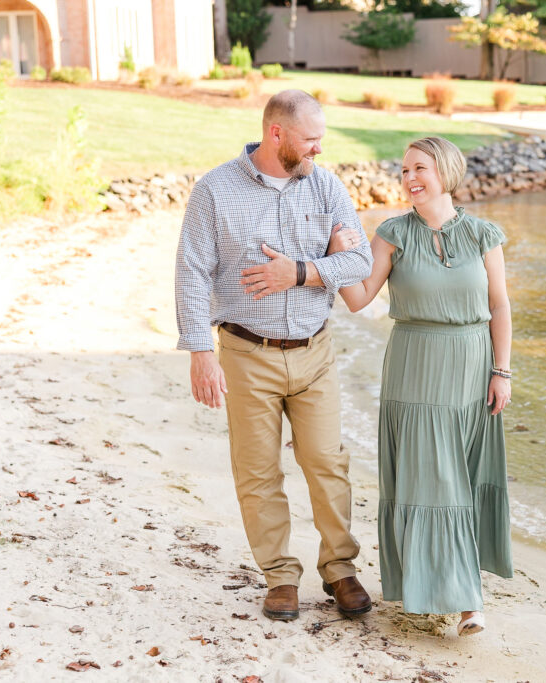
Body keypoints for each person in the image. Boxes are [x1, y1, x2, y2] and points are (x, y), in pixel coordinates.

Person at [174, 89, 374, 622]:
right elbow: (192, 270)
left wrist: (303, 272)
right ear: (276, 133)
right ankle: (280, 576)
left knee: (327, 463)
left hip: (316, 351)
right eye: (311, 141)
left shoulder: (326, 186)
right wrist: (198, 348)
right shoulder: (215, 190)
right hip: (245, 352)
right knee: (257, 471)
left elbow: (358, 261)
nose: (318, 151)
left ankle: (340, 570)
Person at [328, 136, 513, 637]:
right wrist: (337, 255)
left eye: (420, 168)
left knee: (462, 479)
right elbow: (359, 298)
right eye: (405, 169)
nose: (409, 177)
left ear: (446, 173)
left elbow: (499, 306)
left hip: (471, 367)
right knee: (434, 479)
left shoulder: (483, 234)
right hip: (413, 366)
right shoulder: (392, 233)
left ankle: (455, 587)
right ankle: (466, 599)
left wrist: (503, 370)